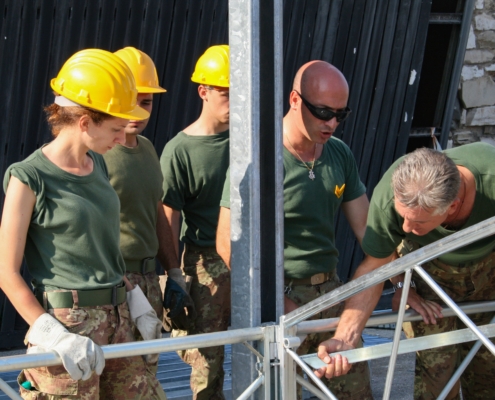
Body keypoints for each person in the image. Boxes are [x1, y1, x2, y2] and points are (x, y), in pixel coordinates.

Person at [0, 48, 166, 399]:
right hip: (69, 328)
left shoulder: (99, 165)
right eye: (116, 128)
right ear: (85, 122)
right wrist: (50, 332)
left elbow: (99, 250)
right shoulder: (29, 178)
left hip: (120, 317)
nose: (122, 139)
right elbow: (6, 272)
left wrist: (135, 300)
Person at [216, 60, 373, 399]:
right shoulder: (259, 158)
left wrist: (405, 283)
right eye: (323, 112)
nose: (332, 123)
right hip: (280, 300)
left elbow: (369, 232)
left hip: (332, 293)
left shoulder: (339, 154)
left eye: (341, 115)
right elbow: (228, 244)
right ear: (295, 100)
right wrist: (278, 303)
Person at [317, 143, 495, 400]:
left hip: (488, 267)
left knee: (488, 373)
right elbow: (374, 267)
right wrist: (346, 339)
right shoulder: (391, 191)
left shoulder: (490, 179)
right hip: (428, 275)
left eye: (418, 221)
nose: (406, 227)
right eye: (402, 216)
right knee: (438, 379)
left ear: (452, 207)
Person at [104, 46, 182, 370]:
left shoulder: (149, 149)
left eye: (146, 101)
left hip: (149, 280)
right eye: (130, 99)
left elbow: (157, 215)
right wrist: (119, 282)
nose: (137, 110)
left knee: (146, 374)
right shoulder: (97, 154)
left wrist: (174, 272)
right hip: (114, 285)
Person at [159, 44, 230, 400]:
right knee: (207, 360)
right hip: (206, 265)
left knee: (273, 346)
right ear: (203, 91)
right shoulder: (180, 150)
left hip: (257, 257)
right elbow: (168, 218)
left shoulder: (254, 140)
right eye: (225, 93)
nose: (234, 101)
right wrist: (174, 276)